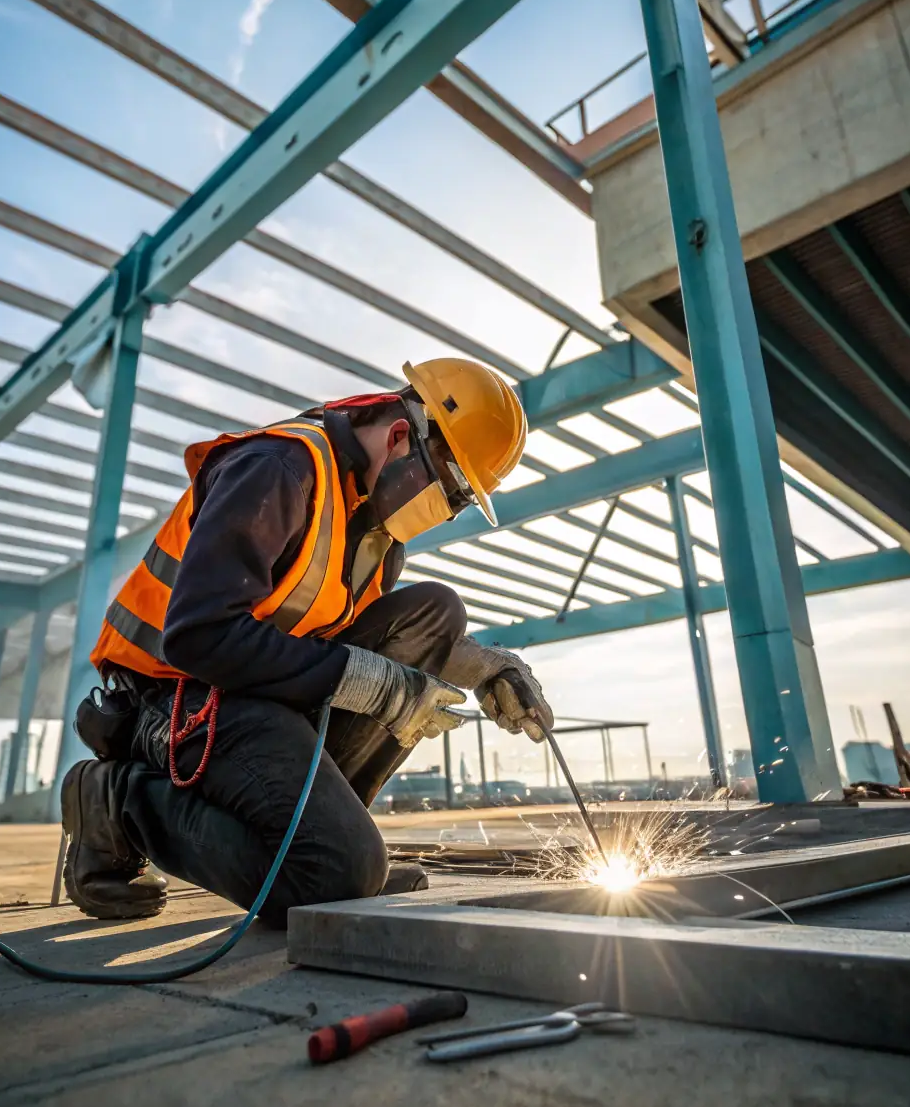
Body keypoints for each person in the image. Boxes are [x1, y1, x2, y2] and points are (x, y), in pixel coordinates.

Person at [60, 358, 554, 924]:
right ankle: (119, 801)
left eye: (462, 500)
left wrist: (487, 668)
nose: (445, 511)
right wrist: (371, 685)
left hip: (251, 692)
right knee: (333, 874)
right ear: (400, 437)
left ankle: (337, 839)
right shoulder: (277, 469)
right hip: (170, 698)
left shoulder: (375, 537)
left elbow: (365, 646)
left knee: (436, 611)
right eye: (450, 488)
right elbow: (199, 637)